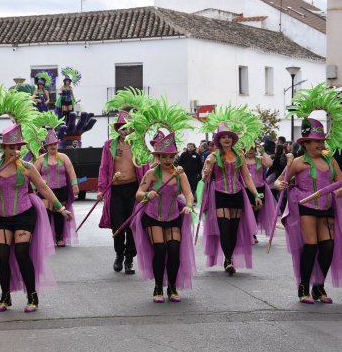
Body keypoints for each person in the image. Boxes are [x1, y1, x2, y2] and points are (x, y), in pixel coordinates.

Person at [0, 123, 71, 312]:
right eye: (11, 147)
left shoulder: (27, 167)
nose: (15, 150)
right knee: (1, 255)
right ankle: (5, 295)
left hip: (24, 214)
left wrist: (60, 208)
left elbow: (43, 188)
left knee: (21, 252)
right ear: (3, 148)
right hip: (1, 215)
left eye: (18, 147)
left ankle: (32, 294)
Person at [275, 118, 342, 303]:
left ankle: (318, 287)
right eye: (317, 142)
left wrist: (337, 191)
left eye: (322, 141)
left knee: (328, 246)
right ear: (306, 144)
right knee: (311, 246)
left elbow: (339, 182)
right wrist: (280, 184)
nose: (321, 145)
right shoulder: (297, 162)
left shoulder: (331, 161)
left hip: (327, 207)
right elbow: (280, 180)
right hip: (306, 206)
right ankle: (303, 286)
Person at [132, 133, 196, 302]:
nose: (168, 160)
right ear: (158, 157)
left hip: (173, 216)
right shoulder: (151, 174)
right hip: (152, 217)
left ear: (175, 157)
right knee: (160, 250)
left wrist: (189, 206)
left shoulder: (180, 174)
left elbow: (189, 194)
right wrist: (147, 194)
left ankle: (173, 287)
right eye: (164, 156)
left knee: (174, 251)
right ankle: (158, 286)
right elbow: (138, 194)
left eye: (171, 156)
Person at [201, 123, 262, 275]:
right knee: (224, 228)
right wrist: (207, 172)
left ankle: (229, 258)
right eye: (223, 137)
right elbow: (204, 178)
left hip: (237, 194)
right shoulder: (212, 156)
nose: (227, 139)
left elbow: (247, 177)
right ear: (219, 140)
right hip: (219, 193)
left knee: (233, 229)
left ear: (233, 139)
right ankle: (228, 259)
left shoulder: (239, 155)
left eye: (229, 137)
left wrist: (255, 194)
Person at [97, 111, 145, 275]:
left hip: (134, 190)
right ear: (118, 129)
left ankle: (129, 258)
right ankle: (119, 254)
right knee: (117, 226)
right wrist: (102, 189)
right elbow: (103, 168)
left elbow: (146, 167)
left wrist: (147, 189)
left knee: (132, 225)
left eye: (128, 128)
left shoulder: (139, 145)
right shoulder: (109, 144)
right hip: (115, 191)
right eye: (122, 127)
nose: (125, 131)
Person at [34, 129, 79, 247]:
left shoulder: (64, 157)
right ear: (46, 146)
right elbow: (33, 175)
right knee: (46, 214)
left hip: (61, 190)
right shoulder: (40, 159)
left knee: (60, 215)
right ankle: (48, 238)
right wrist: (34, 188)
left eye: (55, 144)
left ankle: (59, 237)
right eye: (50, 145)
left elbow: (71, 171)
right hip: (45, 192)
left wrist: (75, 185)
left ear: (57, 144)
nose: (53, 146)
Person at [244, 145, 277, 239]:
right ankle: (249, 233)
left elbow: (270, 163)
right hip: (246, 189)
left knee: (256, 210)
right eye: (248, 148)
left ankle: (253, 233)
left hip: (260, 188)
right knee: (248, 211)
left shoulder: (260, 159)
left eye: (252, 149)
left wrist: (262, 151)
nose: (250, 151)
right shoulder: (241, 160)